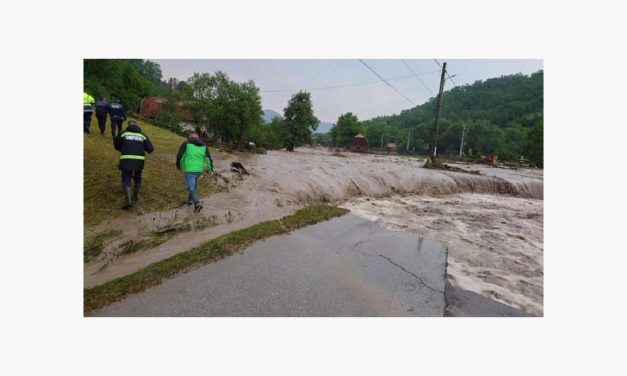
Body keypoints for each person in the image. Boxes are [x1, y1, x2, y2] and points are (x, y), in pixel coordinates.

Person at [113, 121, 154, 209]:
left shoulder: (123, 134)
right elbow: (150, 149)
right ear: (137, 126)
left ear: (128, 125)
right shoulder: (142, 135)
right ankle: (135, 196)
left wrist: (123, 148)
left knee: (126, 178)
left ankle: (128, 201)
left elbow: (116, 145)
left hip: (126, 159)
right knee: (138, 177)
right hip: (139, 161)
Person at [176, 132, 213, 212]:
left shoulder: (186, 143)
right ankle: (190, 201)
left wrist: (179, 166)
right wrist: (211, 169)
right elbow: (208, 158)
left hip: (190, 170)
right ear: (198, 137)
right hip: (199, 170)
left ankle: (197, 204)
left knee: (191, 187)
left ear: (189, 137)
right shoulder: (204, 145)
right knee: (193, 186)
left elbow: (180, 156)